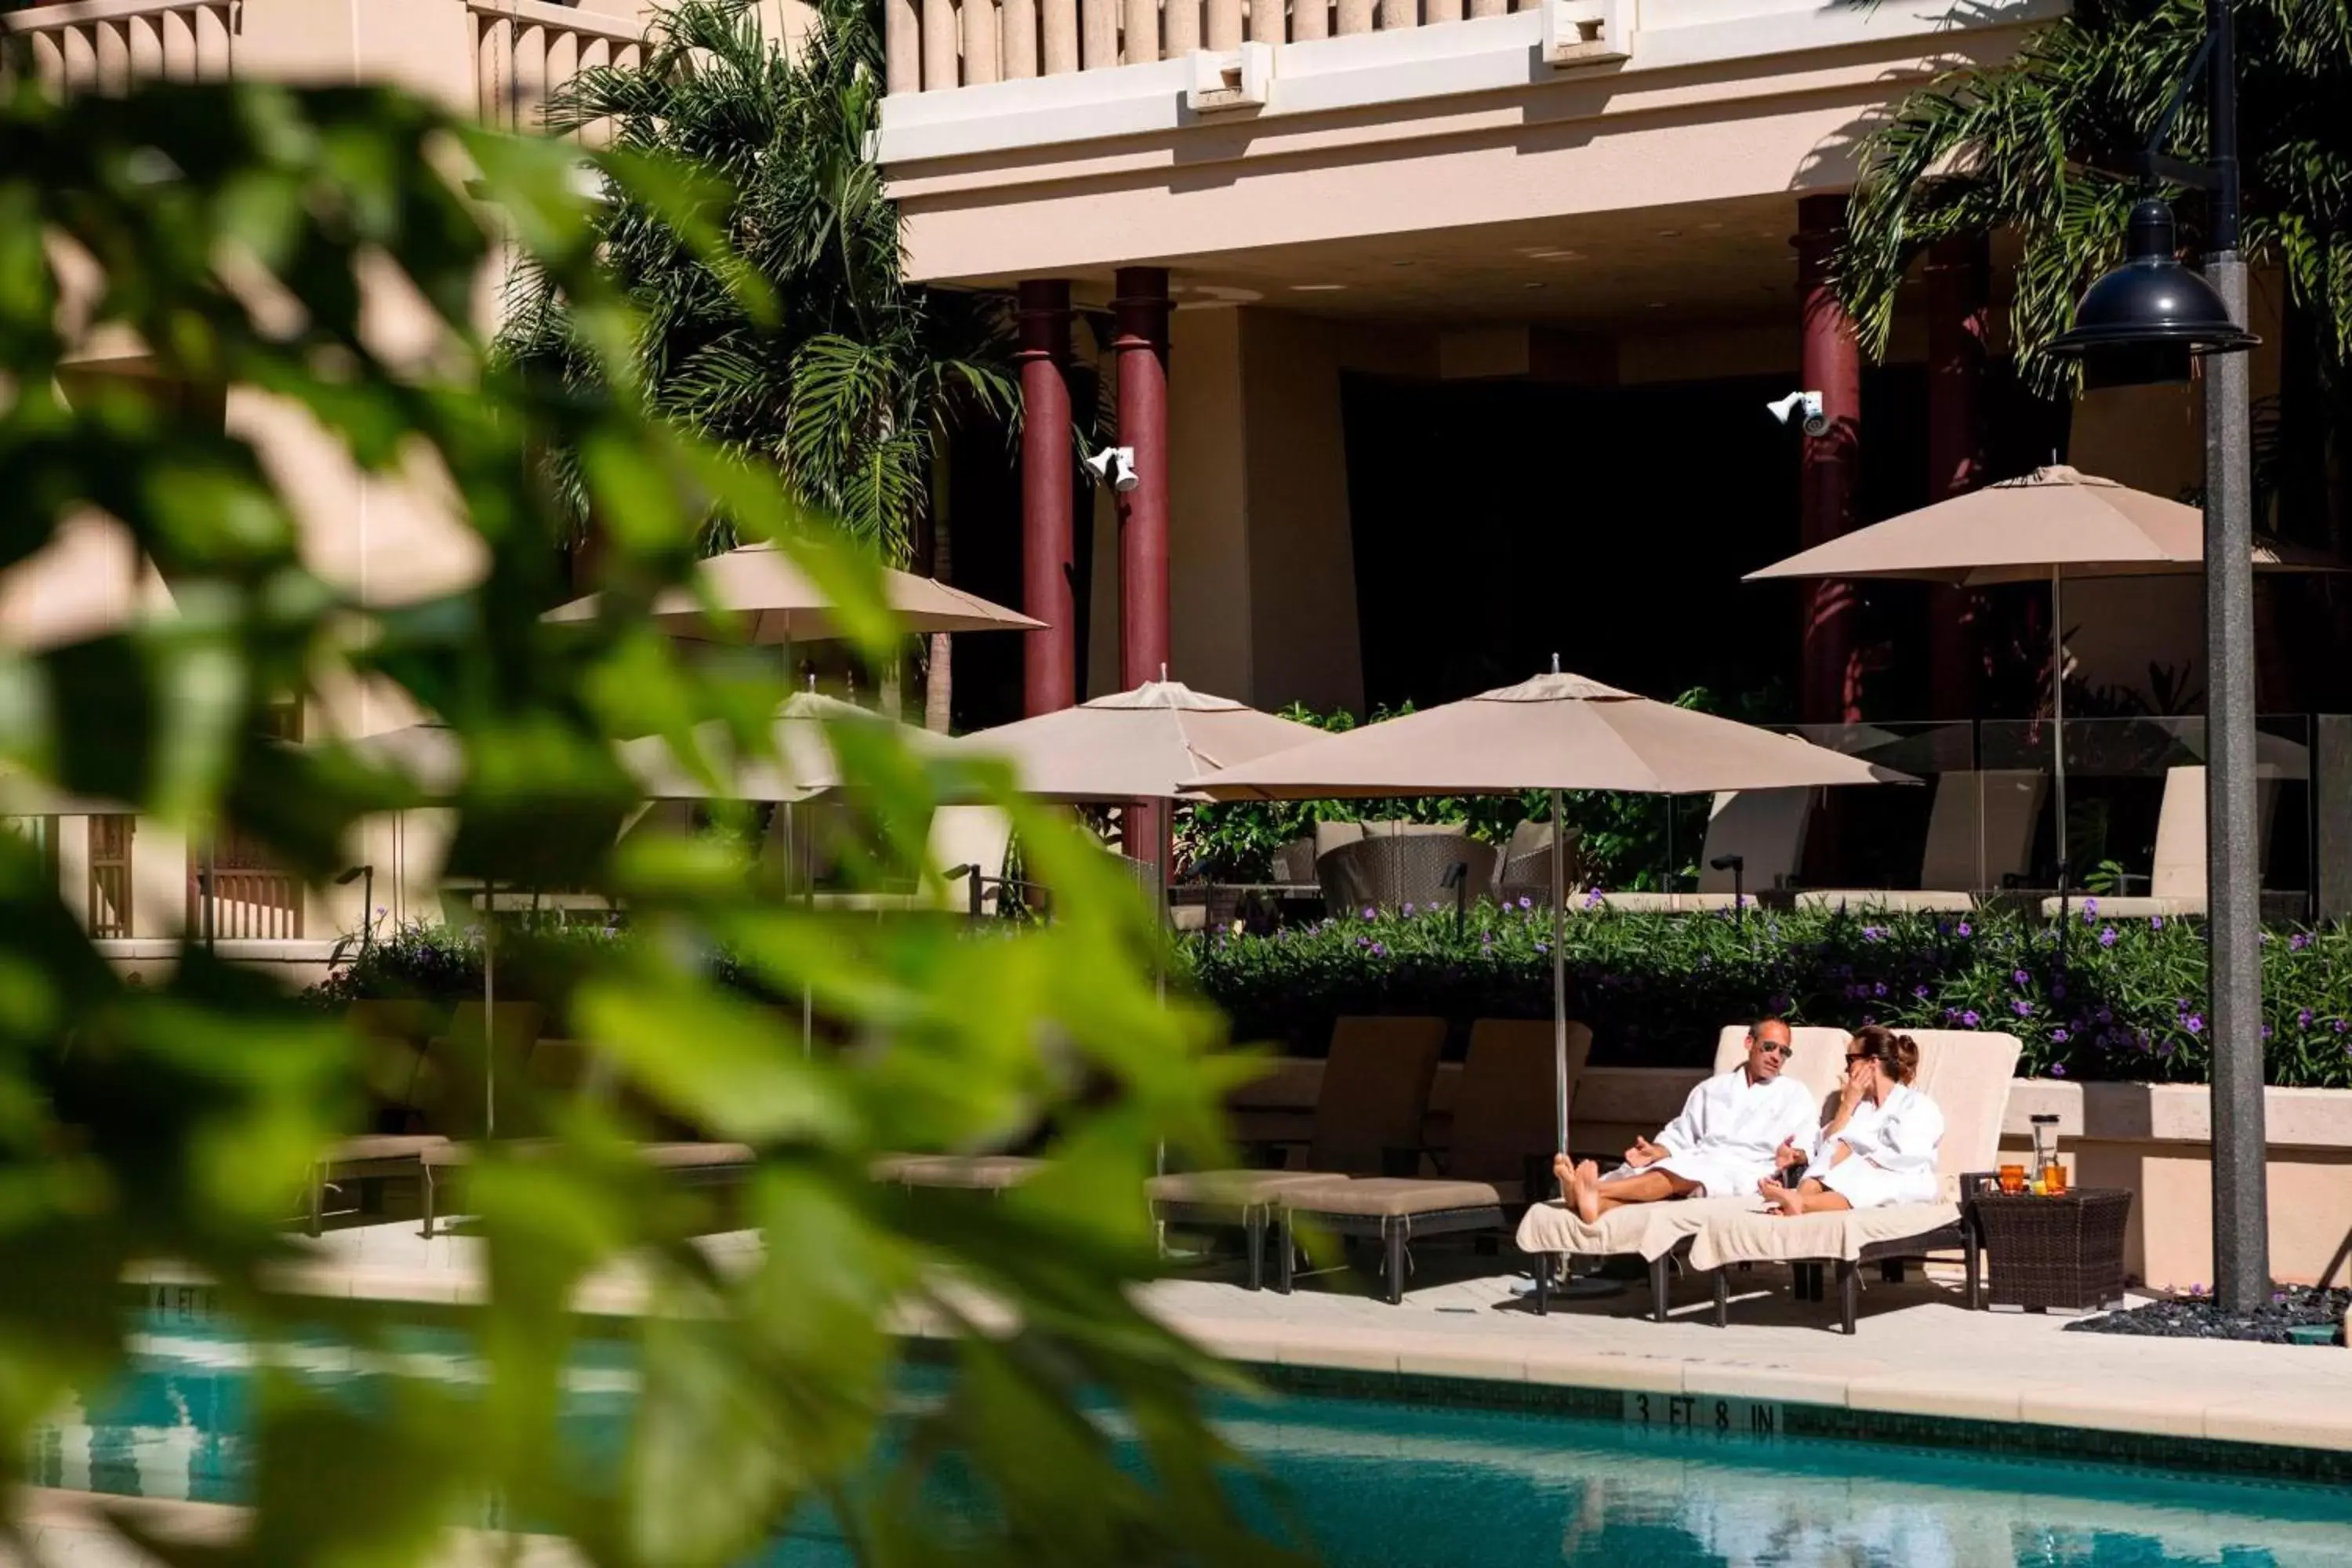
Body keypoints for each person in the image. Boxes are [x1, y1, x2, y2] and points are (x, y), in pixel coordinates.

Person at [1556, 1018, 1820, 1224]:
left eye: (1784, 1052)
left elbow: (1808, 1141)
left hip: (1747, 1169)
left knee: (1681, 1173)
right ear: (1749, 1043)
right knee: (1668, 1167)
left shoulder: (1795, 1094)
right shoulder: (1711, 1089)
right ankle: (1596, 1203)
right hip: (1702, 1157)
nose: (1776, 1057)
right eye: (1769, 1047)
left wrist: (1794, 1155)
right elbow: (1682, 1133)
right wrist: (1658, 1150)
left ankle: (1594, 1189)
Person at [1759, 1025, 1944, 1215]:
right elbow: (1826, 1151)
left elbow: (1909, 1156)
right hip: (1857, 1176)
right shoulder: (1861, 1107)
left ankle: (1801, 1204)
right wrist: (1848, 1104)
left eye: (1851, 1060)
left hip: (1901, 1179)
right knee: (1829, 1163)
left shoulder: (1916, 1104)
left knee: (1865, 1177)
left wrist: (1856, 1157)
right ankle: (1796, 1201)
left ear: (1872, 1062)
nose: (1847, 1069)